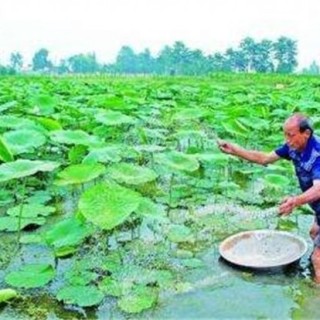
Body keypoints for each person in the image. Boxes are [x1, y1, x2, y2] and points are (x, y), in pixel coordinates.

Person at [218, 113, 320, 283]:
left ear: (306, 134)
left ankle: (315, 300)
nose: (287, 139)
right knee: (314, 232)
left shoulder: (317, 154)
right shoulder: (293, 148)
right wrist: (235, 150)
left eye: (291, 135)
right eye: (285, 134)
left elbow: (318, 189)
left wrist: (295, 201)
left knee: (318, 259)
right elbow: (264, 158)